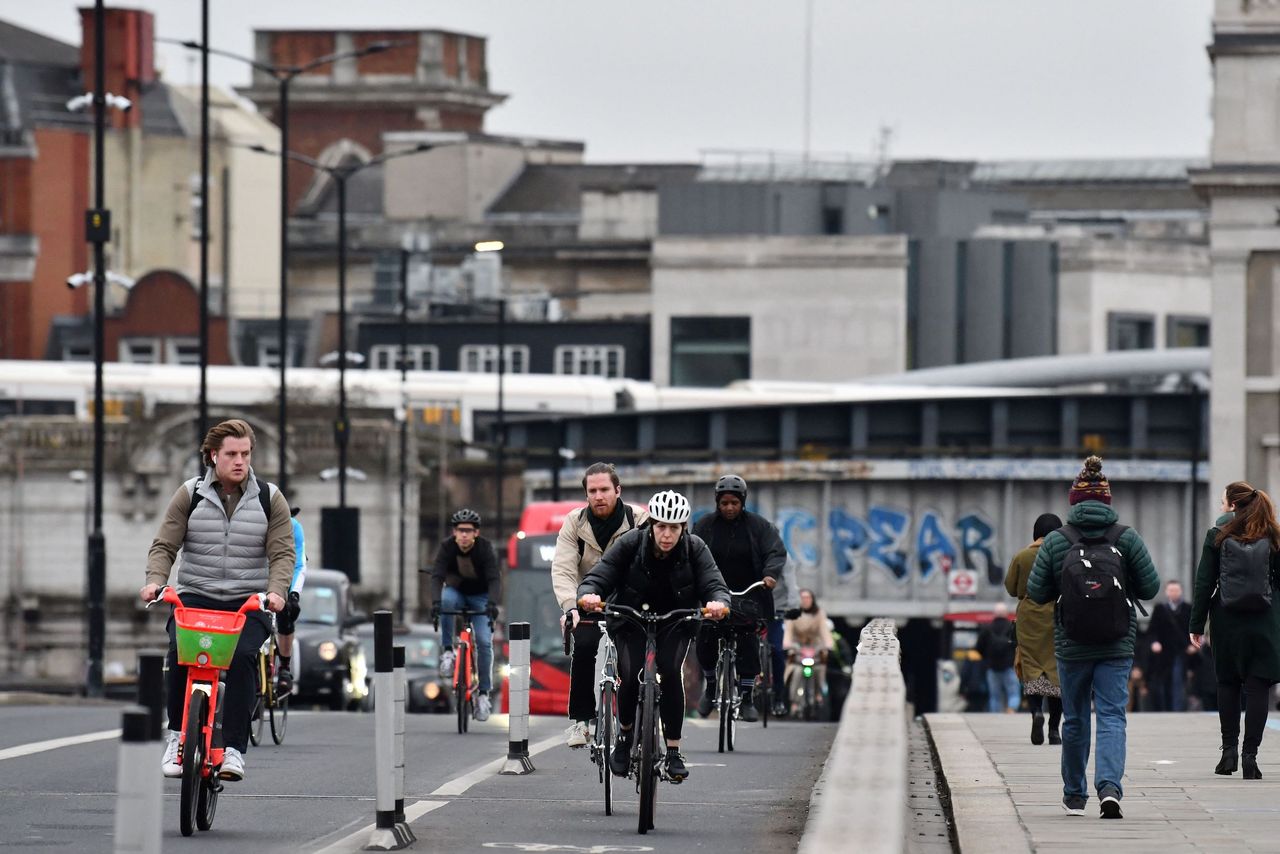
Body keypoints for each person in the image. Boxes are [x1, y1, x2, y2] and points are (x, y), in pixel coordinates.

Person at [141, 418, 292, 782]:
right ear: (213, 456)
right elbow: (165, 545)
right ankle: (178, 735)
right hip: (196, 596)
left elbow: (283, 553)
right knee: (179, 654)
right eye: (231, 454)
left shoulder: (270, 499)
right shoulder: (190, 493)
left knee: (242, 660)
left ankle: (235, 751)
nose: (240, 461)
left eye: (246, 453)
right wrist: (155, 582)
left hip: (247, 601)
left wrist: (276, 592)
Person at [1028, 455, 1159, 819]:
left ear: (1073, 501)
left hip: (1072, 644)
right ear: (1107, 500)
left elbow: (1036, 593)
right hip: (1117, 642)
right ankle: (1109, 788)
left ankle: (1074, 794)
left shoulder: (1056, 541)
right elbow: (1150, 587)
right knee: (1113, 715)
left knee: (1074, 718)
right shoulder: (1126, 538)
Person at [577, 490, 730, 782]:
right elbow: (600, 574)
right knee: (632, 672)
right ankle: (624, 739)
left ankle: (673, 751)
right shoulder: (630, 543)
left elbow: (714, 583)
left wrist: (719, 603)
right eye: (661, 526)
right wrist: (589, 594)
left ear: (683, 528)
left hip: (675, 620)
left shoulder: (695, 548)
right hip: (630, 618)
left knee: (671, 672)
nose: (667, 534)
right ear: (652, 525)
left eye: (674, 528)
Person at [550, 462, 646, 747]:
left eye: (604, 489)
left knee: (637, 661)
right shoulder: (575, 523)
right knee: (585, 646)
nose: (598, 495)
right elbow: (564, 569)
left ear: (618, 490)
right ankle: (581, 722)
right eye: (592, 491)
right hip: (589, 600)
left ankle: (644, 716)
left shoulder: (639, 520)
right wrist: (570, 607)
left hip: (630, 600)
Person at [1189, 481, 1280, 780]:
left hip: (1226, 619)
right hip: (1265, 619)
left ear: (1232, 505)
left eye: (1222, 501)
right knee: (1257, 687)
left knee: (1227, 683)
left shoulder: (1217, 535)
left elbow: (1205, 583)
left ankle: (1228, 753)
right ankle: (1250, 757)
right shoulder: (1273, 534)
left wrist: (1196, 624)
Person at [692, 475, 787, 723]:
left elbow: (775, 550)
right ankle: (711, 685)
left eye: (734, 502)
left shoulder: (759, 526)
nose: (729, 508)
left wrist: (769, 575)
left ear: (742, 502)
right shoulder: (704, 526)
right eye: (724, 503)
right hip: (713, 595)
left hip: (749, 595)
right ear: (717, 503)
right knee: (705, 633)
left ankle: (746, 696)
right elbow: (690, 552)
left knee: (748, 636)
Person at [428, 508, 501, 722]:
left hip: (480, 597)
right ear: (454, 532)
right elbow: (437, 576)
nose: (464, 535)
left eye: (468, 531)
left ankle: (484, 695)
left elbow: (494, 579)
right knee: (446, 601)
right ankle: (449, 652)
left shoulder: (485, 549)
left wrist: (492, 604)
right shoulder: (447, 547)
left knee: (484, 643)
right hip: (456, 592)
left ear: (476, 533)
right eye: (460, 531)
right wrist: (435, 603)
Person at [1004, 512, 1063, 744]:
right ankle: (1054, 730)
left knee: (1031, 669)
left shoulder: (1022, 556)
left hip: (1029, 617)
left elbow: (1011, 588)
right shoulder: (1064, 556)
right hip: (1057, 616)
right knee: (1056, 671)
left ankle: (1036, 712)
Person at [782, 588, 835, 715]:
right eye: (803, 598)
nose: (805, 601)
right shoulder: (793, 613)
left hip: (815, 648)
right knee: (795, 671)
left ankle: (819, 694)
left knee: (820, 669)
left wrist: (828, 645)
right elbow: (788, 631)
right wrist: (788, 645)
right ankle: (794, 701)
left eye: (808, 598)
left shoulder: (819, 614)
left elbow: (824, 631)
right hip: (797, 648)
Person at [274, 505, 308, 694]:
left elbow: (299, 564)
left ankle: (284, 667)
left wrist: (294, 594)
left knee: (287, 612)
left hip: (282, 576)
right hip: (256, 576)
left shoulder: (293, 527)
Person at [1148, 580, 1194, 712]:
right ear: (1166, 592)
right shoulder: (1160, 608)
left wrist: (1192, 644)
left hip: (1180, 651)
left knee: (1178, 680)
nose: (1174, 593)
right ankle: (1165, 709)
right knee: (1163, 681)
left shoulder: (1187, 608)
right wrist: (1155, 642)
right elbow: (1152, 630)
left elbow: (1193, 628)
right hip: (1163, 652)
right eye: (1171, 590)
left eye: (1176, 590)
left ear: (1181, 592)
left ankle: (1176, 710)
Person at [769, 559, 803, 716]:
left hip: (777, 608)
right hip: (753, 606)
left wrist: (794, 606)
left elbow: (791, 583)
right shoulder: (752, 546)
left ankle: (778, 698)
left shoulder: (783, 557)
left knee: (776, 650)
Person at [976, 602, 1020, 713]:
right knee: (1013, 692)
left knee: (995, 696)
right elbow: (1019, 645)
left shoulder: (987, 629)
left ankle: (996, 715)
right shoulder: (1012, 627)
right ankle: (1011, 708)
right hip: (1009, 666)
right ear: (1006, 613)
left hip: (992, 667)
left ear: (994, 614)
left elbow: (978, 648)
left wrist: (986, 658)